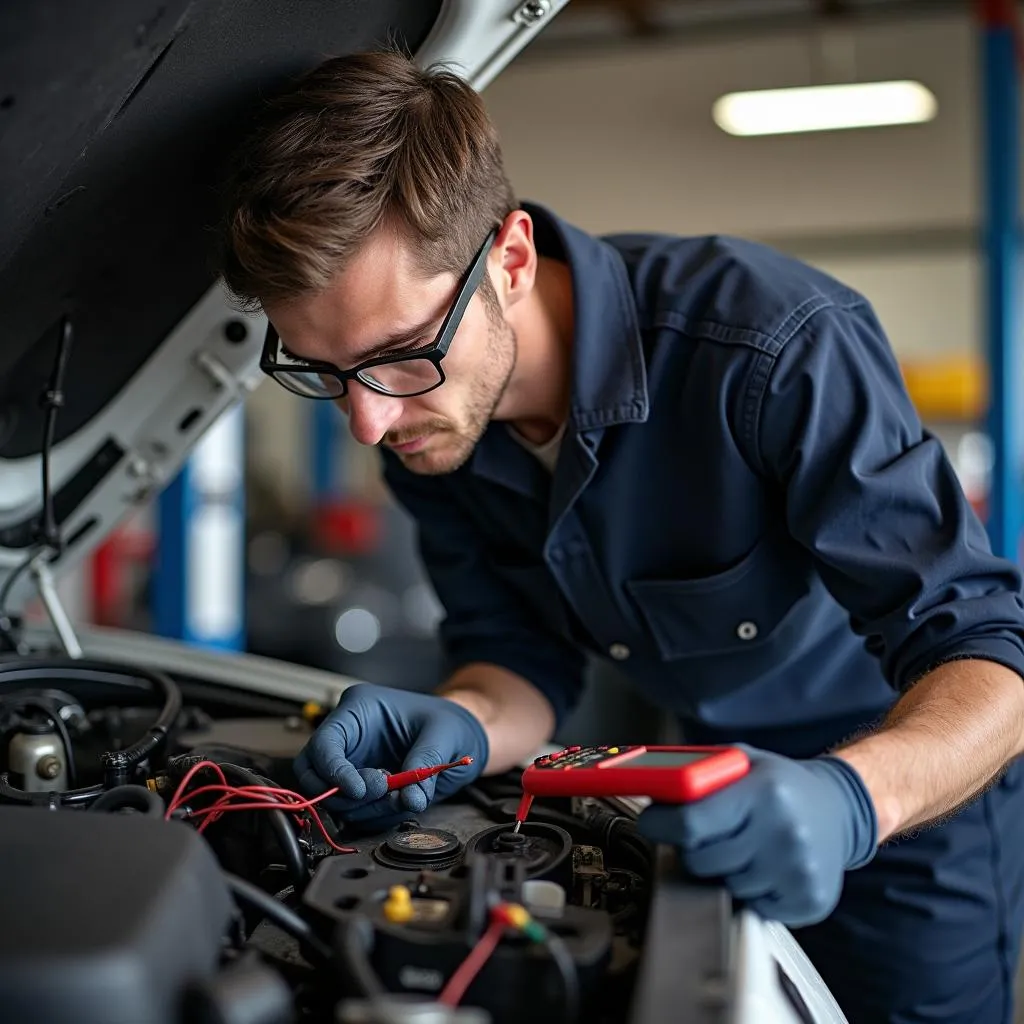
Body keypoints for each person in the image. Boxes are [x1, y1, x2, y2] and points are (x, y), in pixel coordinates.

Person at [216, 49, 1024, 1023]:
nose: (368, 425)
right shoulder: (425, 424)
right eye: (324, 371)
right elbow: (520, 660)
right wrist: (467, 716)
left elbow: (989, 652)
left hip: (907, 809)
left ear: (509, 259)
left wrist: (853, 801)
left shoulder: (773, 351)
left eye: (397, 357)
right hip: (704, 803)